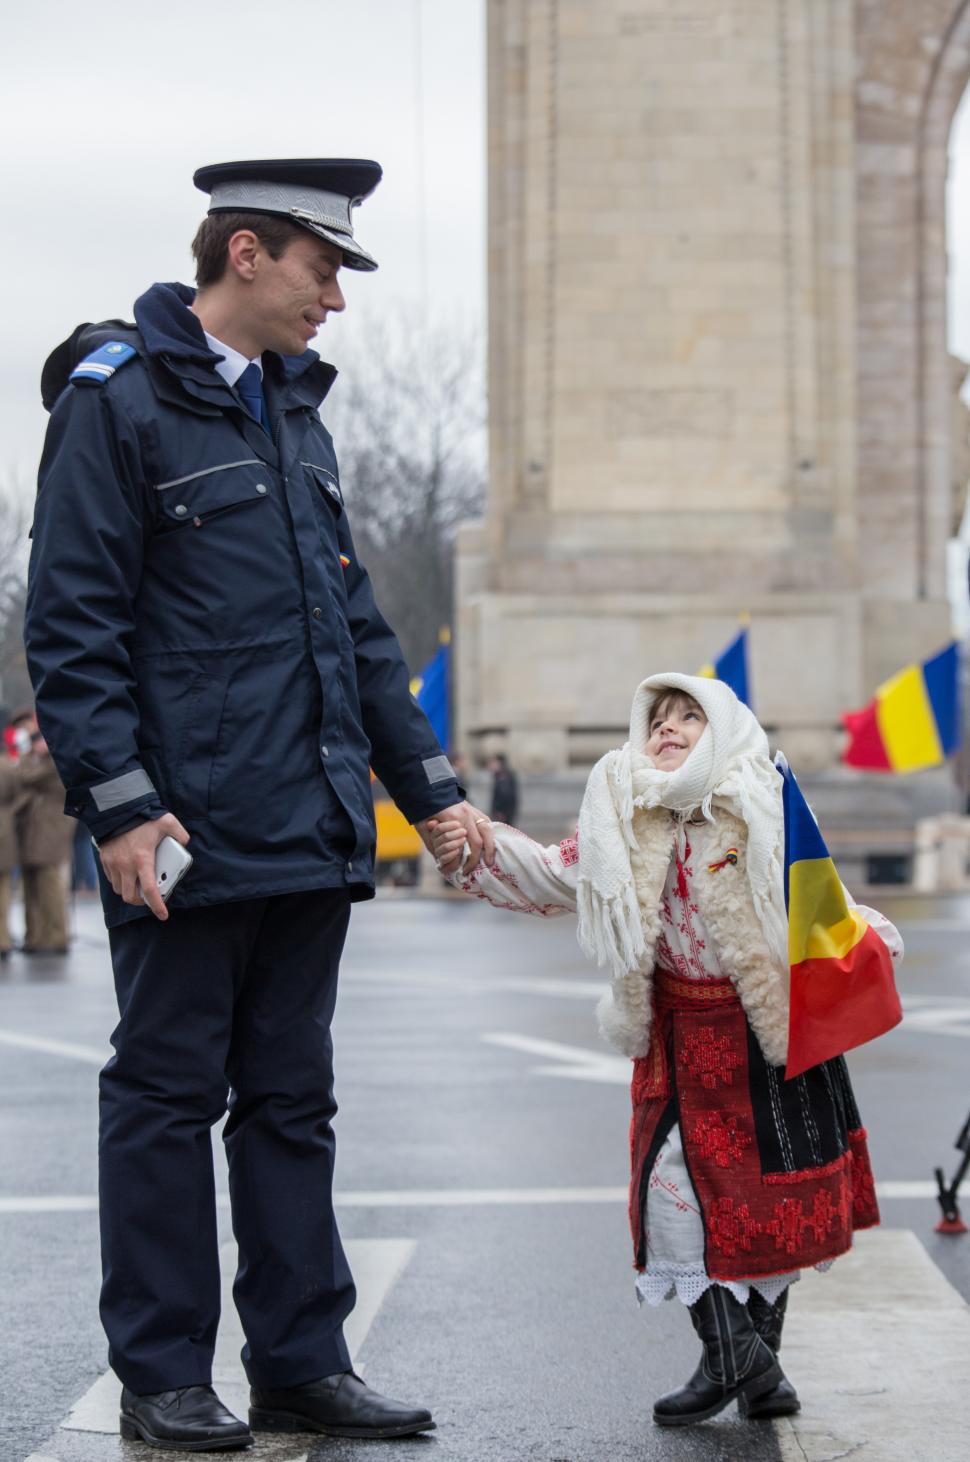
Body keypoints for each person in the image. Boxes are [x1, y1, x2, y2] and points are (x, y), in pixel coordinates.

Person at [26, 157, 494, 1452]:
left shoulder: (296, 414)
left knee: (293, 1099)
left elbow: (356, 631)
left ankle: (300, 1360)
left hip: (308, 823)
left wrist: (435, 795)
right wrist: (119, 807)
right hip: (178, 832)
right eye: (323, 266)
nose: (335, 298)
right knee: (166, 1099)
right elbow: (71, 627)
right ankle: (163, 1371)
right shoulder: (116, 402)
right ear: (246, 251)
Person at [430, 674, 902, 1427]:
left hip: (764, 1037)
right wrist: (480, 848)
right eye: (658, 718)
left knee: (767, 1209)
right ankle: (748, 1364)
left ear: (723, 729)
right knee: (675, 1204)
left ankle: (746, 1370)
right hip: (679, 1037)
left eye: (690, 716)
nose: (670, 728)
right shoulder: (624, 813)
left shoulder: (760, 800)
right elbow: (557, 876)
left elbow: (817, 898)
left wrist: (870, 940)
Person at [15, 728, 74, 954]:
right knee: (32, 885)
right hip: (35, 830)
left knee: (49, 884)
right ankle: (36, 936)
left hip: (50, 831)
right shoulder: (38, 760)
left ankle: (57, 936)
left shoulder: (54, 762)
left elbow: (26, 777)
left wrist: (27, 757)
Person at [488, 752, 519, 825]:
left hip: (503, 814)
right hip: (505, 813)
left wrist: (500, 812)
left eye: (492, 763)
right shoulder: (501, 775)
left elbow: (505, 795)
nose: (490, 766)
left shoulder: (503, 777)